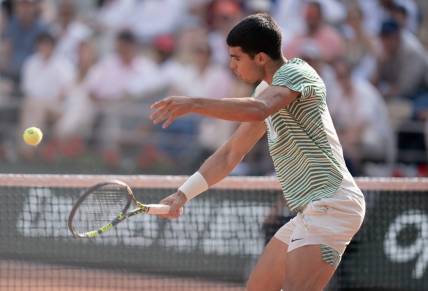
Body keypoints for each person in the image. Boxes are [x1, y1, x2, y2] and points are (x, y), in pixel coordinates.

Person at [150, 13, 366, 291]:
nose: (231, 66)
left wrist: (193, 103)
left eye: (237, 58)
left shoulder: (297, 73)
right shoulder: (266, 92)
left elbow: (260, 109)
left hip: (332, 203)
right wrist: (182, 194)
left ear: (261, 58)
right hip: (310, 211)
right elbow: (230, 154)